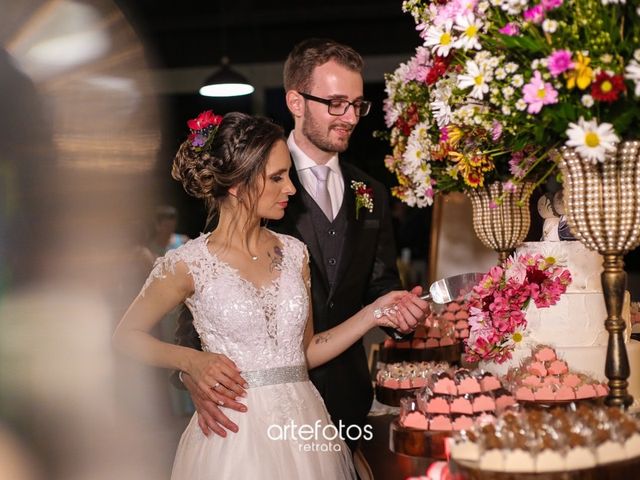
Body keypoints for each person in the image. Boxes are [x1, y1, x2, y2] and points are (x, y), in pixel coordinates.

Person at [113, 111, 427, 479]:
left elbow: (305, 352)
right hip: (234, 435)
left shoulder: (295, 252)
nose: (291, 188)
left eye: (288, 175)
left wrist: (374, 312)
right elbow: (124, 338)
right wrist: (190, 362)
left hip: (305, 425)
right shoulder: (187, 264)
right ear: (237, 184)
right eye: (277, 177)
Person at [176, 39, 428, 452]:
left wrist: (398, 310)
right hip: (251, 411)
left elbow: (379, 283)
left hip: (346, 402)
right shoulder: (249, 181)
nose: (349, 117)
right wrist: (191, 373)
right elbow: (205, 287)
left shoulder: (372, 192)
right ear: (295, 101)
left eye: (357, 105)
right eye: (335, 103)